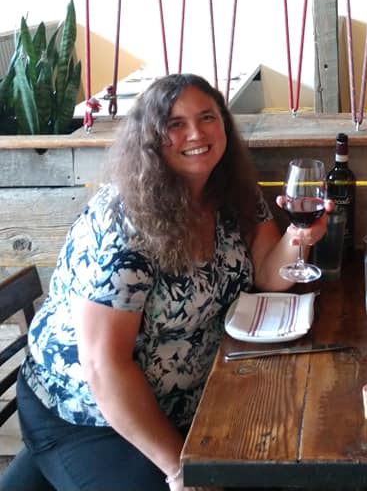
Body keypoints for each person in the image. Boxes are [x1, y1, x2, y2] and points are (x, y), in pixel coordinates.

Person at [1, 73, 329, 491]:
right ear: (150, 139)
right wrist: (178, 469)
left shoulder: (232, 192)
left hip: (190, 402)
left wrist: (299, 238)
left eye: (207, 117)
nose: (196, 133)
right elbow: (104, 366)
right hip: (87, 413)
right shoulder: (124, 225)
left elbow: (266, 272)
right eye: (175, 124)